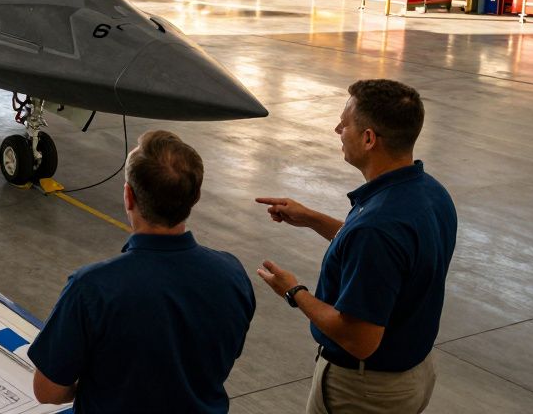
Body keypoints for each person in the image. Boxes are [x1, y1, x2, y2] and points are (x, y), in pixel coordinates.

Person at [255, 79, 456, 414]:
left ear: (368, 139)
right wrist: (312, 218)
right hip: (413, 374)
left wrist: (294, 291)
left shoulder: (377, 227)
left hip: (365, 393)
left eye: (345, 123)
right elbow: (390, 255)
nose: (338, 129)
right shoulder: (431, 193)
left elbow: (360, 340)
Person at [28, 130, 255, 413]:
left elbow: (48, 390)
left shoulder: (92, 288)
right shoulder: (233, 275)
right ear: (195, 197)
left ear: (128, 196)